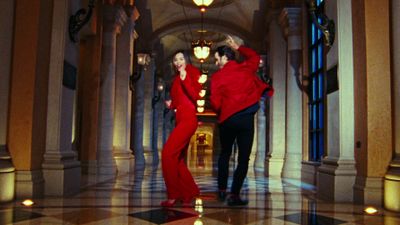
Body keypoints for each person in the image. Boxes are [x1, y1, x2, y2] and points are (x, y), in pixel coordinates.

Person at [210, 35, 274, 206]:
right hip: (246, 119)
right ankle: (234, 194)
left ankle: (222, 190)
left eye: (217, 59)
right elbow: (255, 57)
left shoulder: (216, 78)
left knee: (225, 154)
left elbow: (215, 102)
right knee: (243, 159)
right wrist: (238, 47)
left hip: (227, 120)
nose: (216, 63)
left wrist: (223, 110)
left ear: (225, 57)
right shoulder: (245, 68)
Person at [161, 50, 202, 207]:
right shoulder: (177, 78)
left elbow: (195, 95)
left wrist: (185, 78)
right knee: (177, 159)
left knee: (167, 154)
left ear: (186, 61)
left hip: (188, 121)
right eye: (175, 60)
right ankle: (189, 191)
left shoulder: (191, 73)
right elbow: (179, 101)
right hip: (181, 120)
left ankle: (173, 194)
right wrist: (172, 104)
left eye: (180, 59)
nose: (177, 62)